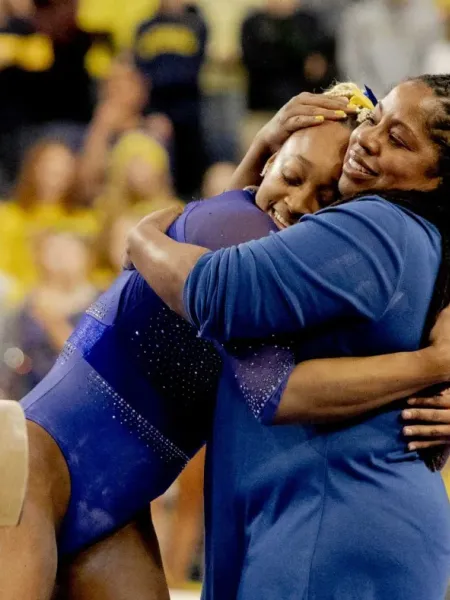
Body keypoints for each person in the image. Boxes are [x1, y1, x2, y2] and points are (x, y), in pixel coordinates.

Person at [0, 83, 448, 600]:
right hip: (33, 461)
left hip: (118, 508)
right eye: (292, 177)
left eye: (327, 200)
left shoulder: (290, 266)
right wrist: (434, 365)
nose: (298, 206)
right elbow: (272, 388)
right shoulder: (239, 228)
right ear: (269, 163)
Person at [0, 140, 98, 295]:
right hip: (20, 301)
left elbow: (93, 273)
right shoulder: (8, 216)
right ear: (34, 170)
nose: (56, 176)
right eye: (49, 169)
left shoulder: (86, 221)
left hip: (72, 301)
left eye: (63, 170)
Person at [338, 0, 440, 97]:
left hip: (416, 101)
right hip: (370, 101)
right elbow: (353, 69)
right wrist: (374, 102)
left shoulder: (429, 17)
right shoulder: (358, 18)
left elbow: (431, 66)